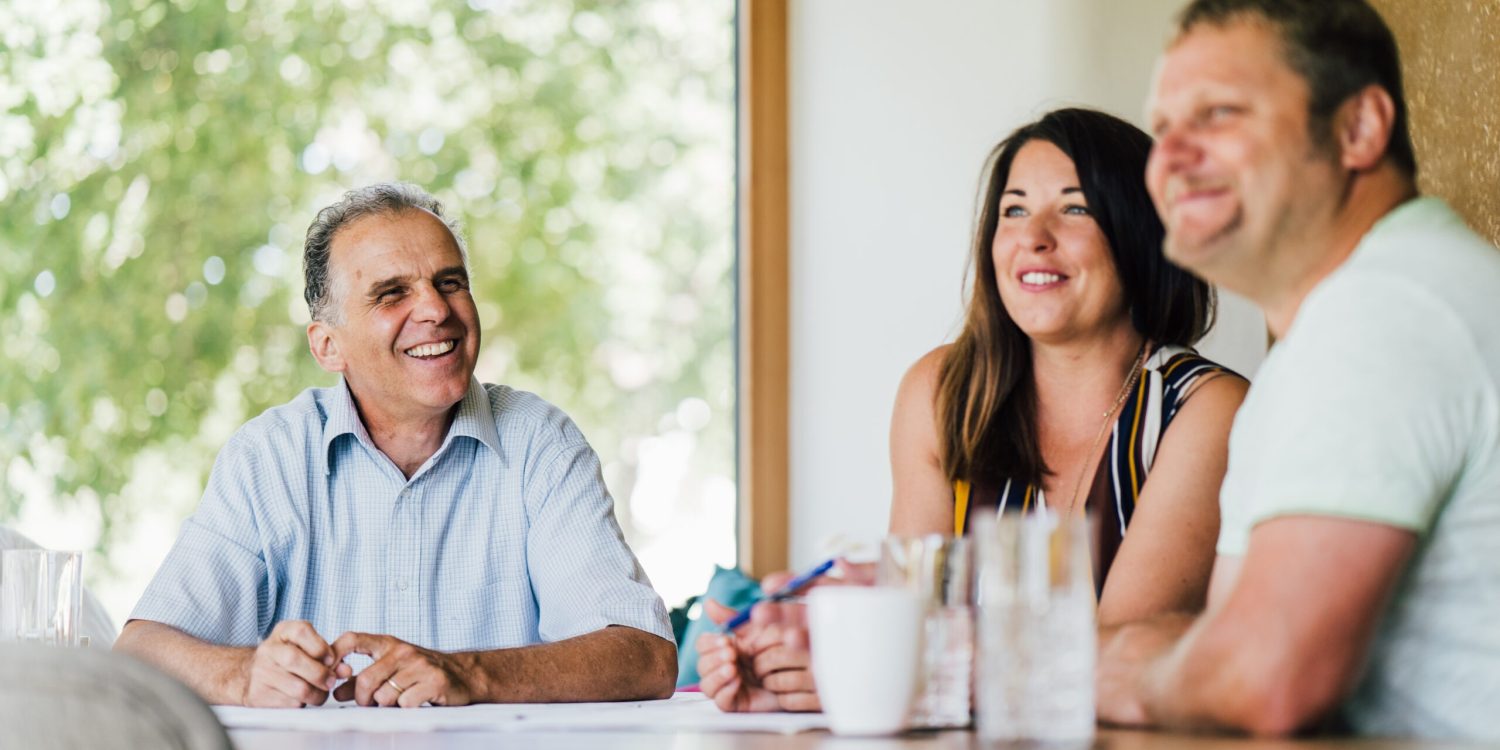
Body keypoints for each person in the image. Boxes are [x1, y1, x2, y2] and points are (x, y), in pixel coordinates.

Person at [698, 108, 1248, 713]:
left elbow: (1111, 664)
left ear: (1141, 233)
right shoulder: (939, 393)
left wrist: (893, 667)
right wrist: (807, 658)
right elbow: (915, 632)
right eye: (1013, 210)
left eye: (1074, 207)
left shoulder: (1206, 411)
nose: (1033, 236)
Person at [1096, 0, 1500, 739]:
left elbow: (1257, 678)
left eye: (1218, 114)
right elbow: (1229, 649)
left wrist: (1083, 665)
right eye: (1163, 128)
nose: (1171, 158)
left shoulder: (1386, 310)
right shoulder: (1350, 318)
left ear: (1358, 129)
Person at [114, 183, 676, 708]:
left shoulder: (540, 443)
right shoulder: (269, 457)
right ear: (329, 346)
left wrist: (471, 674)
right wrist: (246, 674)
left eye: (450, 282)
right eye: (392, 293)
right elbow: (141, 651)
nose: (435, 309)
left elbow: (647, 659)